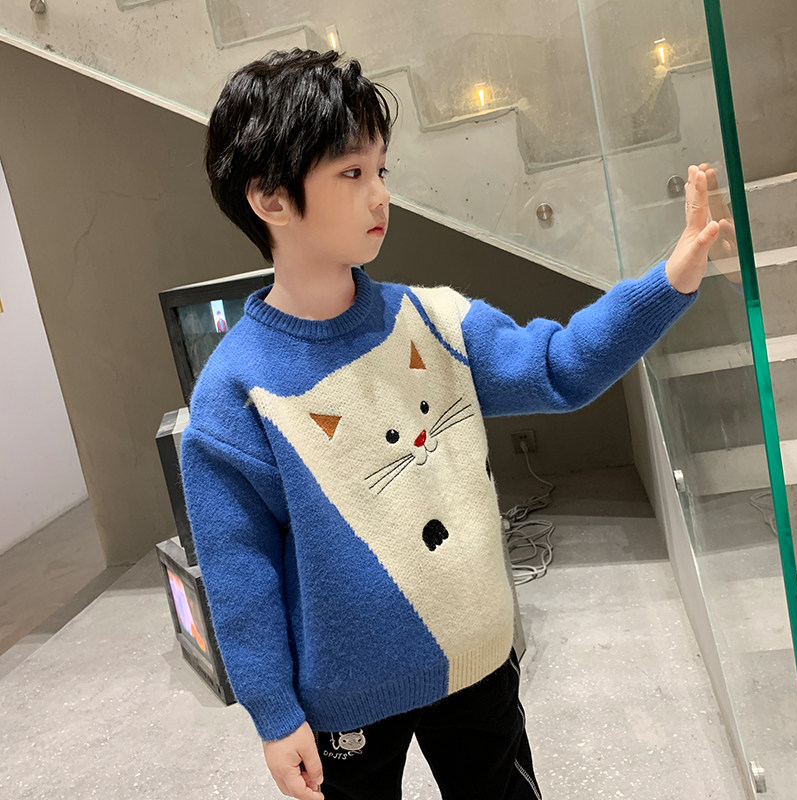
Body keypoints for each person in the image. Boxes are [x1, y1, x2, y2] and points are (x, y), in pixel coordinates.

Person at [179, 47, 720, 800]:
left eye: (381, 169)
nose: (380, 195)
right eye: (352, 173)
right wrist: (273, 713)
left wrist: (670, 282)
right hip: (345, 704)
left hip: (477, 660)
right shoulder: (234, 394)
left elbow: (559, 367)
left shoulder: (436, 320)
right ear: (271, 198)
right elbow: (241, 573)